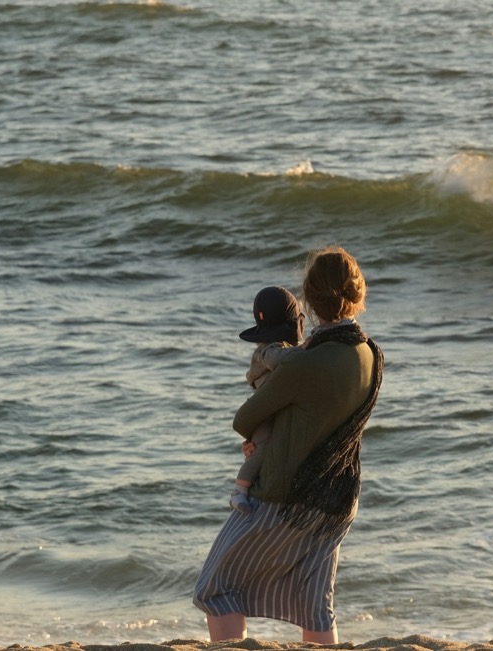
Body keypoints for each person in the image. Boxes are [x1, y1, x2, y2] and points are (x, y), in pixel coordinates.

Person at [194, 246, 383, 644]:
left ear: (310, 300)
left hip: (286, 497)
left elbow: (244, 419)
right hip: (339, 498)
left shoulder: (302, 363)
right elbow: (322, 419)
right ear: (358, 294)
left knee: (214, 588)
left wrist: (262, 441)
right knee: (315, 603)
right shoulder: (370, 355)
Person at [230, 285, 305, 514]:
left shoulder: (273, 347)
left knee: (263, 449)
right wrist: (307, 350)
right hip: (263, 412)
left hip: (266, 408)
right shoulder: (269, 350)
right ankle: (239, 492)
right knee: (261, 449)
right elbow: (278, 360)